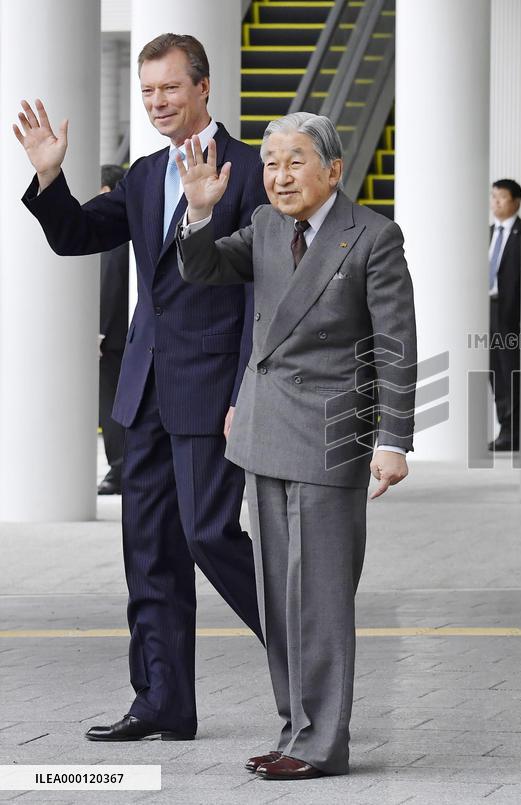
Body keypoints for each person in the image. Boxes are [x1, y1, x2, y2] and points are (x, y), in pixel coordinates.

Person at [14, 33, 267, 742]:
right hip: (144, 387)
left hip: (214, 387)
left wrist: (247, 386)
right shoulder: (143, 173)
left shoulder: (249, 170)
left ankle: (306, 658)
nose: (157, 102)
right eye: (148, 90)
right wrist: (49, 179)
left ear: (204, 87)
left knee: (211, 534)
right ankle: (161, 700)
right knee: (149, 548)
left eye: (170, 89)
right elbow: (74, 236)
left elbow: (258, 292)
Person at [175, 112, 416, 780]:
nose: (279, 175)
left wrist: (393, 439)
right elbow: (202, 270)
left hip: (331, 433)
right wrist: (198, 214)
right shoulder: (265, 225)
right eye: (272, 161)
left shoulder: (373, 236)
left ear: (333, 170)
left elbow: (394, 347)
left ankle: (324, 742)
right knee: (279, 595)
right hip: (265, 430)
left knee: (322, 596)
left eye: (295, 161)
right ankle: (294, 729)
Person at [97, 163, 129, 495]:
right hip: (125, 334)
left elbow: (110, 282)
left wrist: (100, 331)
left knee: (111, 404)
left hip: (114, 337)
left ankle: (118, 468)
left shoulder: (114, 235)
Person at [488, 178, 521, 451]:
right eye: (493, 197)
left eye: (501, 197)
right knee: (494, 371)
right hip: (488, 310)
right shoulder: (487, 233)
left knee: (511, 371)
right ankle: (505, 429)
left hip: (512, 313)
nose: (495, 202)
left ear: (516, 202)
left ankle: (515, 430)